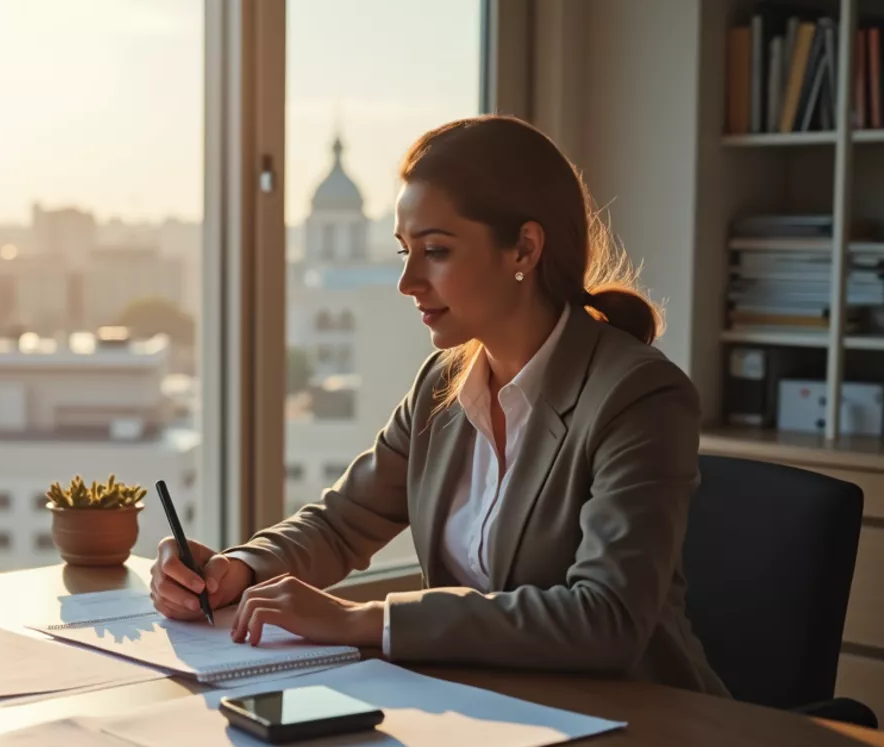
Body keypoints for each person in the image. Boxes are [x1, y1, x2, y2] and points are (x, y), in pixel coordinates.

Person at [151, 115, 728, 696]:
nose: (407, 280)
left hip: (645, 727)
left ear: (524, 248)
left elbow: (606, 619)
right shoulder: (442, 385)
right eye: (404, 250)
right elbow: (341, 524)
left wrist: (361, 620)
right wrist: (238, 569)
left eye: (435, 251)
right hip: (491, 711)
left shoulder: (638, 397)